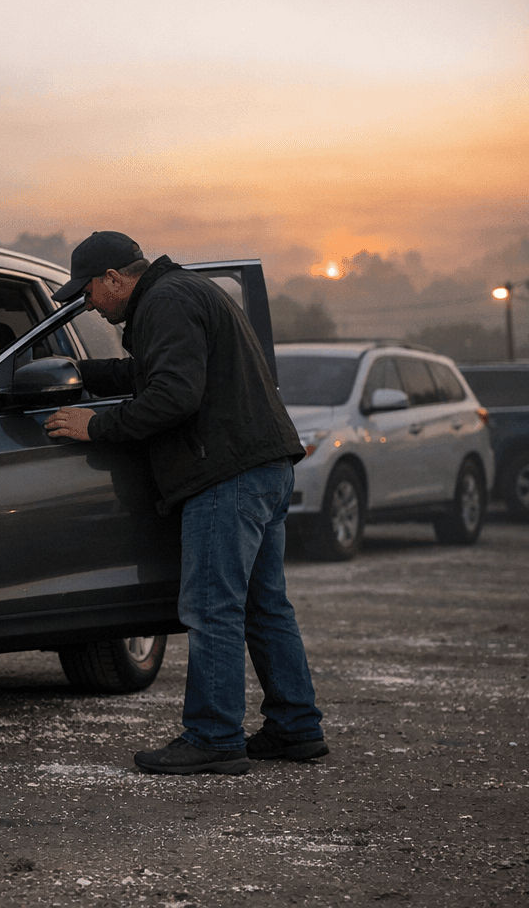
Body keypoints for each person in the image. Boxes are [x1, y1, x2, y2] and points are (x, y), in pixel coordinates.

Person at [43, 231, 327, 775]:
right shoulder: (185, 293)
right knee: (264, 607)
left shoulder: (165, 303)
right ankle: (296, 728)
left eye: (89, 292)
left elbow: (174, 395)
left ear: (115, 279)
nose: (88, 305)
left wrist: (96, 425)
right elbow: (156, 372)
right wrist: (85, 374)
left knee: (212, 608)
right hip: (263, 465)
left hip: (225, 474)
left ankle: (215, 737)